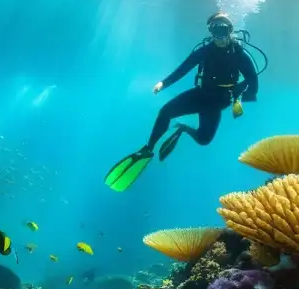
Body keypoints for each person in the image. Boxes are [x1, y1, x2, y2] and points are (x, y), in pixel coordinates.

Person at [104, 12, 259, 191]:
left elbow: (252, 78)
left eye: (225, 29)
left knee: (203, 140)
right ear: (210, 30)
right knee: (165, 111)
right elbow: (184, 68)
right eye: (216, 29)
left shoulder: (240, 54)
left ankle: (183, 129)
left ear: (231, 30)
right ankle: (147, 148)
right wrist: (163, 83)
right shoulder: (205, 50)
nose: (220, 36)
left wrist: (244, 96)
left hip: (218, 102)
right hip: (200, 94)